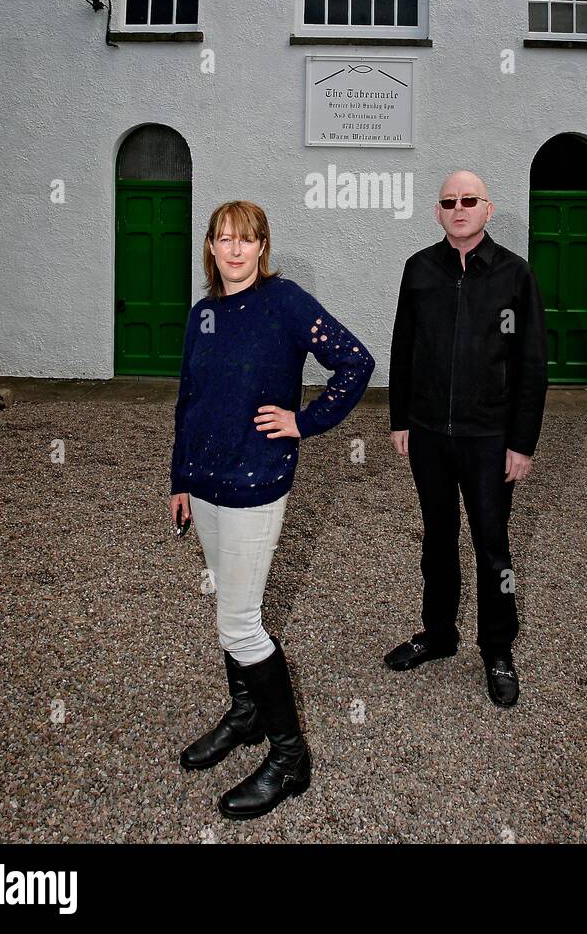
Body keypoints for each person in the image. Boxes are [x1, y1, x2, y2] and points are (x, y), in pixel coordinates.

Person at [170, 200, 374, 819]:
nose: (234, 250)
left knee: (239, 622)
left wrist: (304, 422)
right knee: (230, 606)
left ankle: (290, 759)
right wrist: (180, 478)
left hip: (257, 482)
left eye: (246, 239)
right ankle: (246, 714)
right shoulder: (202, 315)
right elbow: (190, 397)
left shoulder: (283, 303)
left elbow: (355, 361)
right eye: (223, 238)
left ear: (262, 248)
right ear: (209, 247)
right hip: (203, 485)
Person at [385, 170, 547, 706]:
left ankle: (497, 649)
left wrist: (521, 444)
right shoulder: (419, 269)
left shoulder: (514, 275)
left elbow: (531, 366)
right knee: (437, 538)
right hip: (430, 433)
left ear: (487, 209)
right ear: (437, 212)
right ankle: (438, 634)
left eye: (469, 200)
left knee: (493, 547)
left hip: (488, 437)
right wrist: (400, 420)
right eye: (449, 201)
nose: (459, 208)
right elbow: (402, 347)